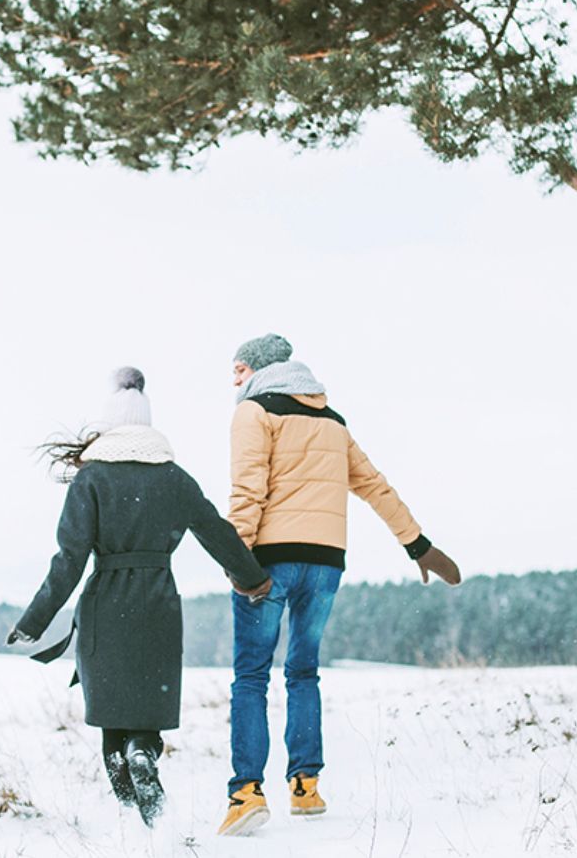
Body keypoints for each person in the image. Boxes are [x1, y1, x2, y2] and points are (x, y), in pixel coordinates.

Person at [216, 334, 462, 837]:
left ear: (259, 369)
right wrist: (417, 545)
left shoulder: (253, 413)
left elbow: (247, 490)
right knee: (303, 672)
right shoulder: (332, 422)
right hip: (326, 562)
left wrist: (236, 559)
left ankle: (246, 794)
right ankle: (306, 785)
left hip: (267, 562)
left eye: (238, 370)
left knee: (251, 676)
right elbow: (374, 484)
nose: (233, 381)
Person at [7, 367, 271, 827]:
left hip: (105, 608)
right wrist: (253, 579)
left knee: (113, 714)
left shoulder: (91, 481)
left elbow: (68, 560)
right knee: (146, 712)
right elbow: (217, 534)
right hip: (157, 606)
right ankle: (144, 760)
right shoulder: (174, 478)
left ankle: (139, 822)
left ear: (108, 424)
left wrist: (35, 619)